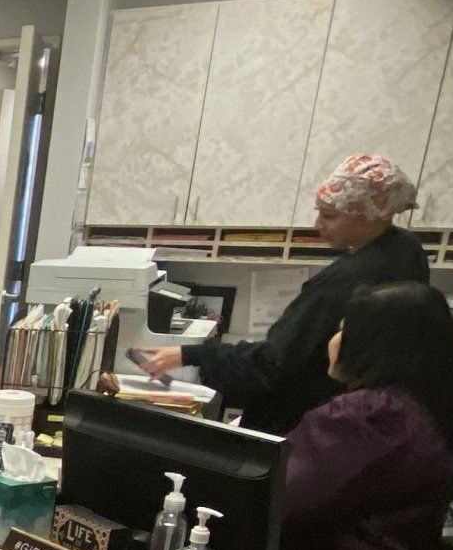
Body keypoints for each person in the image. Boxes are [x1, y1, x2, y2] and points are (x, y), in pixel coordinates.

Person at [136, 150, 429, 434]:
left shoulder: (343, 282)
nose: (317, 225)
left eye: (329, 216)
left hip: (305, 427)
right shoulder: (406, 249)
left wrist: (191, 354)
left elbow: (271, 366)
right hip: (364, 420)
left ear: (367, 215)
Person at [278, 282, 453, 550]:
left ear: (373, 345)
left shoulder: (370, 416)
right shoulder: (427, 400)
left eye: (344, 331)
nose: (334, 340)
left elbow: (277, 501)